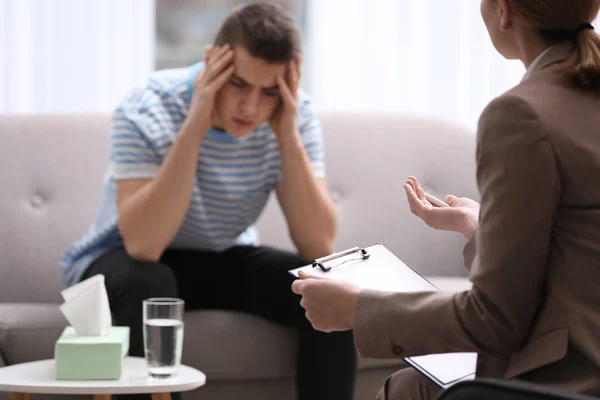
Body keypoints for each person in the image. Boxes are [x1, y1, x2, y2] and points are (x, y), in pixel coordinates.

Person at [292, 0, 600, 399]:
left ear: (504, 12)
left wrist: (358, 309)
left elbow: (494, 320)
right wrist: (481, 228)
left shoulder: (520, 114)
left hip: (568, 379)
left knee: (406, 390)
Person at [60, 3, 356, 400]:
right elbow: (143, 245)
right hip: (123, 261)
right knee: (151, 281)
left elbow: (318, 245)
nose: (250, 107)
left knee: (327, 285)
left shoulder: (293, 115)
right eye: (238, 84)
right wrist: (195, 123)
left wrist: (286, 135)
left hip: (218, 258)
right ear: (212, 61)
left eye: (268, 91)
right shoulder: (148, 106)